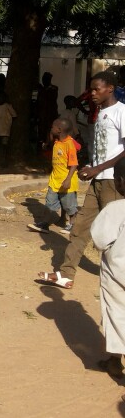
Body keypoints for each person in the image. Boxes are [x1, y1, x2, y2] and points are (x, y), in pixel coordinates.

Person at [39, 72, 125, 289]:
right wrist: (90, 166)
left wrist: (99, 168)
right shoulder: (101, 114)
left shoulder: (121, 112)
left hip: (113, 182)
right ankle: (66, 274)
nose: (92, 94)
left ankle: (118, 279)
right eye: (91, 89)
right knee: (80, 227)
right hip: (97, 181)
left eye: (97, 89)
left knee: (115, 233)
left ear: (110, 89)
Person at [90, 157, 125, 380]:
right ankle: (113, 360)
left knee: (117, 316)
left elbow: (100, 239)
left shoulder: (115, 210)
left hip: (118, 276)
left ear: (120, 181)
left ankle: (116, 361)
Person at [27, 118, 79, 234]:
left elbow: (74, 164)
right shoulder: (57, 142)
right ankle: (45, 224)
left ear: (59, 130)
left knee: (69, 205)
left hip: (66, 182)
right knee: (49, 203)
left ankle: (72, 224)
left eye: (53, 127)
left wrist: (68, 179)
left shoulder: (69, 144)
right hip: (55, 180)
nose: (51, 129)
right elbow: (51, 144)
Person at [0, 93, 17, 165]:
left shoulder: (7, 106)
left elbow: (14, 115)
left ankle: (3, 161)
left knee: (4, 146)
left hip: (3, 129)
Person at [37, 72, 59, 147]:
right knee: (42, 130)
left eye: (46, 79)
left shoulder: (53, 88)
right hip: (42, 113)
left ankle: (50, 144)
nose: (44, 81)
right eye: (43, 79)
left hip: (51, 113)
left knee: (50, 129)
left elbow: (51, 98)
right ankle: (42, 144)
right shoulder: (41, 89)